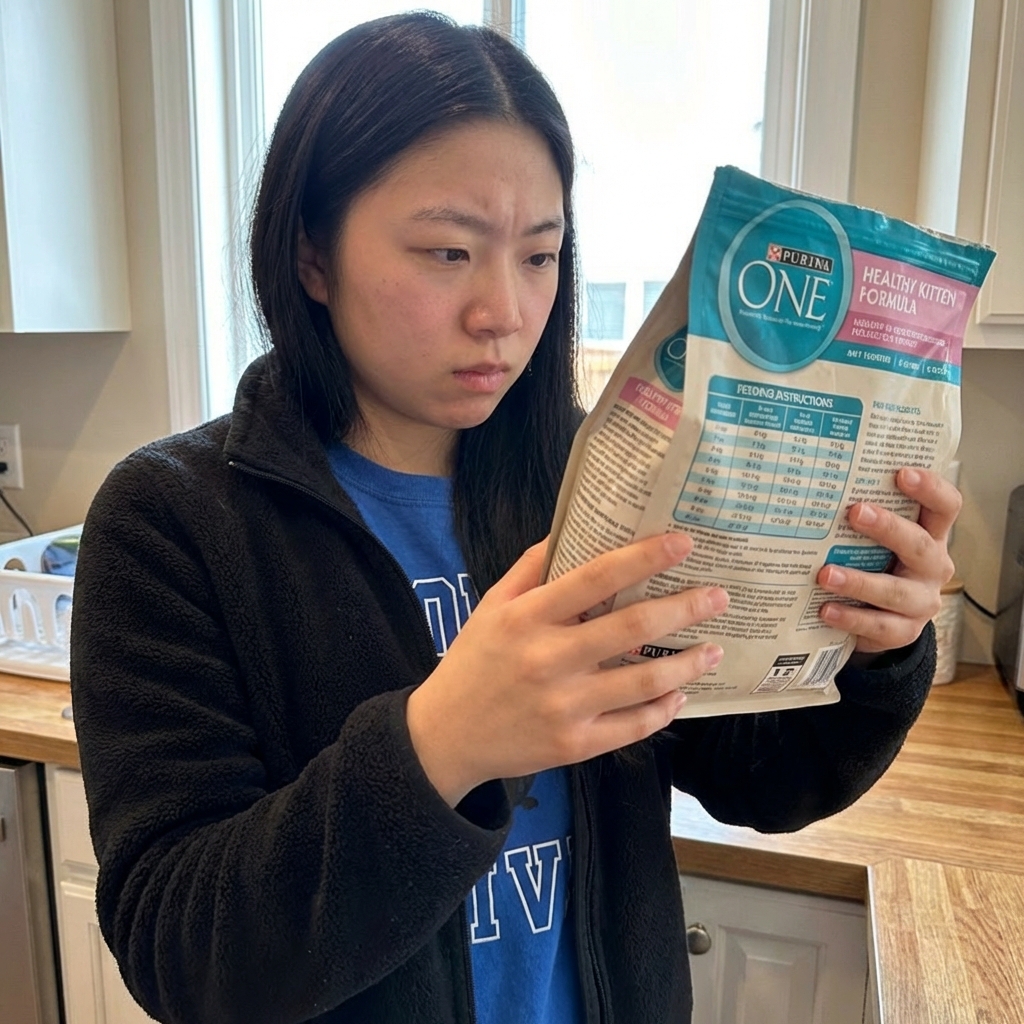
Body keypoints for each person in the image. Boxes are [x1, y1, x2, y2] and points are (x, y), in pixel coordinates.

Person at [70, 12, 954, 1024]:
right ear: (312, 256)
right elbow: (184, 954)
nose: (503, 310)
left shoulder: (596, 480)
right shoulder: (173, 522)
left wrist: (875, 648)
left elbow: (762, 779)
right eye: (448, 252)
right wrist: (442, 741)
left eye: (538, 257)